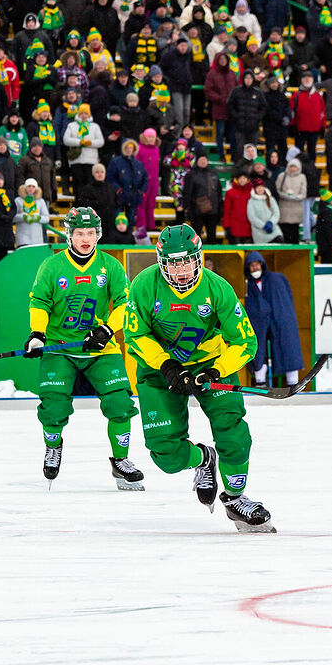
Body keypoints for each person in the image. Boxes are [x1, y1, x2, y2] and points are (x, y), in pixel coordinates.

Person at [123, 224, 271, 532]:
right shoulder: (144, 284)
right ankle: (203, 458)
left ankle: (235, 498)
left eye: (186, 262)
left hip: (210, 364)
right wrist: (166, 365)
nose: (180, 271)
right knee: (166, 454)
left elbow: (246, 342)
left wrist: (216, 370)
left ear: (199, 258)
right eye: (172, 263)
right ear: (161, 263)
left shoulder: (218, 289)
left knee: (233, 432)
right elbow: (135, 335)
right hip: (159, 368)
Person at [23, 207, 142, 488]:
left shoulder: (110, 266)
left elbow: (125, 304)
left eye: (90, 233)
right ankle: (53, 446)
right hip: (59, 347)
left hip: (100, 347)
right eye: (79, 233)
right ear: (69, 235)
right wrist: (38, 334)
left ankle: (121, 461)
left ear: (98, 234)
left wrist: (107, 330)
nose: (86, 239)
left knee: (119, 402)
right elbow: (39, 302)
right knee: (53, 408)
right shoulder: (52, 266)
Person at [244, 252, 303, 387]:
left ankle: (293, 383)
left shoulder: (276, 279)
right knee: (257, 349)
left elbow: (285, 301)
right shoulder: (248, 285)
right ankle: (260, 381)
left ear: (262, 264)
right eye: (251, 266)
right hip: (258, 322)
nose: (255, 268)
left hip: (280, 319)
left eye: (257, 264)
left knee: (287, 348)